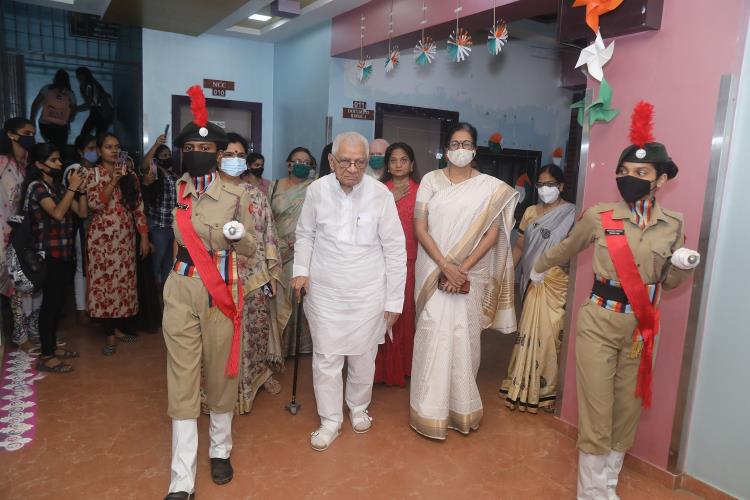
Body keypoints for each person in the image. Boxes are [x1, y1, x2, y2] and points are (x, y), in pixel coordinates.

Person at [532, 102, 700, 499]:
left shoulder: (673, 224)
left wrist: (683, 265)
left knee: (627, 409)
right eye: (624, 172)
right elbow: (567, 247)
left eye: (642, 173)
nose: (630, 179)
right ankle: (590, 492)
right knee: (597, 409)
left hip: (642, 330)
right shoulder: (600, 216)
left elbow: (670, 283)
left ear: (661, 180)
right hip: (599, 323)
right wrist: (539, 266)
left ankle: (608, 485)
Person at [162, 86, 257, 500]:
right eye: (190, 148)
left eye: (205, 148)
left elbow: (250, 248)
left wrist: (233, 235)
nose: (197, 153)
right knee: (181, 381)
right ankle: (181, 479)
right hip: (180, 290)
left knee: (220, 377)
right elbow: (176, 242)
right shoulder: (176, 190)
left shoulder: (238, 195)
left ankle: (220, 450)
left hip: (221, 293)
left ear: (218, 154)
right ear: (182, 152)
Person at [291, 131, 406, 451]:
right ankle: (330, 420)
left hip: (368, 292)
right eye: (345, 161)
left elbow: (395, 248)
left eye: (360, 162)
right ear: (331, 161)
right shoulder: (317, 190)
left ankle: (358, 407)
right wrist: (300, 271)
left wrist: (394, 299)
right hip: (325, 292)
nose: (353, 169)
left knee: (363, 356)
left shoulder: (380, 194)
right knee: (326, 357)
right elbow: (305, 234)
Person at [410, 122, 518, 440]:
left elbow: (492, 234)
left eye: (466, 144)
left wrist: (462, 268)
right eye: (455, 144)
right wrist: (446, 266)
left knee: (464, 340)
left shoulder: (490, 188)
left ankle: (462, 409)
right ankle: (428, 410)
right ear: (446, 150)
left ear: (475, 149)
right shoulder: (431, 180)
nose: (460, 149)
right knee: (432, 335)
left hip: (471, 274)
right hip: (434, 271)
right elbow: (420, 228)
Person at [213, 132, 283, 413]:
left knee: (255, 332)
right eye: (229, 154)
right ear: (218, 157)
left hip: (253, 277)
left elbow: (268, 234)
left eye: (240, 155)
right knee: (220, 337)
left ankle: (256, 377)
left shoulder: (255, 194)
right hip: (216, 277)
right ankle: (217, 388)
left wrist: (271, 274)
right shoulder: (207, 192)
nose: (235, 160)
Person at [499, 164, 576, 412]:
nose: (545, 189)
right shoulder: (531, 212)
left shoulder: (572, 214)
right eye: (541, 185)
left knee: (551, 335)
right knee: (528, 333)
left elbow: (573, 252)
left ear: (561, 186)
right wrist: (506, 272)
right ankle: (523, 383)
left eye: (550, 184)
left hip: (556, 284)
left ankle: (547, 390)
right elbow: (520, 247)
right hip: (531, 282)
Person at [22, 143, 87, 372]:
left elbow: (82, 212)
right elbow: (58, 213)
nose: (59, 164)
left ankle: (51, 348)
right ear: (39, 164)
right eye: (53, 160)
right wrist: (72, 188)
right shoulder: (37, 187)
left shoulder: (58, 186)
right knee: (50, 305)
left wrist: (80, 190)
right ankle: (47, 355)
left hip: (64, 253)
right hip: (47, 254)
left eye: (59, 159)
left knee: (57, 303)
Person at [85, 133, 151, 355]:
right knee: (104, 285)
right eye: (108, 147)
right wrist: (113, 180)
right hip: (101, 240)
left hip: (124, 239)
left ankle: (118, 328)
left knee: (122, 284)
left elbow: (138, 207)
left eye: (117, 146)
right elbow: (95, 204)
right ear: (99, 151)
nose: (114, 150)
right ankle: (109, 335)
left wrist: (144, 237)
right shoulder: (92, 174)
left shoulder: (129, 174)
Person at [374, 142, 419, 387]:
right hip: (379, 262)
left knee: (404, 314)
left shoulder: (422, 192)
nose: (398, 164)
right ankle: (378, 371)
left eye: (403, 160)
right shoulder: (378, 191)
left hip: (410, 262)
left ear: (411, 165)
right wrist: (389, 199)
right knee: (379, 313)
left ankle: (403, 368)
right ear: (387, 166)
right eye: (393, 160)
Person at [269, 147, 316, 357]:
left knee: (300, 297)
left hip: (303, 252)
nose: (301, 165)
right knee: (279, 299)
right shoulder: (274, 186)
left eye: (306, 162)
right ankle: (278, 348)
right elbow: (266, 218)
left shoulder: (314, 187)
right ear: (289, 164)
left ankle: (299, 347)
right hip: (278, 252)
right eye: (297, 161)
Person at [1, 117, 37, 352]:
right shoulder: (3, 162)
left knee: (19, 285)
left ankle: (21, 335)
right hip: (2, 231)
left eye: (33, 133)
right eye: (26, 133)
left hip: (19, 233)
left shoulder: (24, 164)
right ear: (11, 135)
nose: (30, 137)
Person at [63, 133, 96, 325]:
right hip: (78, 224)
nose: (95, 152)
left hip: (92, 224)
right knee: (81, 267)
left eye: (96, 148)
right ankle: (81, 309)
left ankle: (90, 306)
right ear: (80, 151)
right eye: (90, 148)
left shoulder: (93, 169)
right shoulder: (75, 170)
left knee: (89, 267)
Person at [141, 135, 178, 290]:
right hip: (158, 227)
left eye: (169, 155)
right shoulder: (156, 172)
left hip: (172, 227)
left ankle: (164, 298)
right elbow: (144, 165)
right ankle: (151, 298)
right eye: (164, 155)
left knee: (168, 266)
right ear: (157, 158)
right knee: (155, 265)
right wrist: (156, 145)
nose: (167, 158)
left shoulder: (174, 175)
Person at [29, 69, 77, 150]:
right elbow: (73, 110)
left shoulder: (47, 89)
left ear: (55, 78)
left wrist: (32, 118)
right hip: (61, 125)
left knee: (51, 146)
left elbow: (35, 104)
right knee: (60, 148)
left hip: (45, 123)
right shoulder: (70, 93)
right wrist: (67, 121)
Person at [75, 67, 115, 138]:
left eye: (79, 74)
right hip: (102, 112)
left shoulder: (88, 85)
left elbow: (89, 102)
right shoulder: (94, 84)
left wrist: (76, 108)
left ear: (84, 75)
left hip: (97, 111)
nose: (78, 77)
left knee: (84, 134)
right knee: (99, 136)